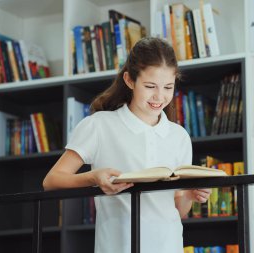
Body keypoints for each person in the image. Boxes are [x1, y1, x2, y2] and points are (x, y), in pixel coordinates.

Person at [43, 37, 211, 253]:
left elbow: (179, 209)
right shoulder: (100, 125)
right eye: (150, 86)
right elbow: (51, 181)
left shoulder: (179, 136)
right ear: (130, 81)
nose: (159, 96)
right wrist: (93, 178)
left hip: (169, 246)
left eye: (168, 87)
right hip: (117, 247)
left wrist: (190, 195)